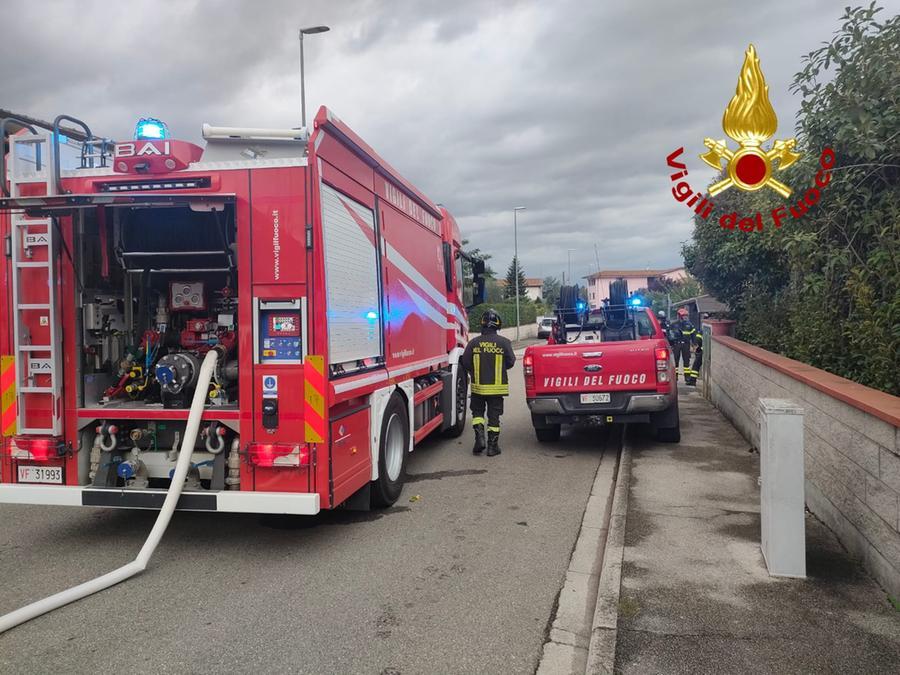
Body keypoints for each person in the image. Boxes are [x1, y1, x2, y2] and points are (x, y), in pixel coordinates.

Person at [461, 308, 516, 456]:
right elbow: (511, 362)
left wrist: (475, 371)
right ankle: (492, 447)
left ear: (482, 324)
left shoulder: (473, 343)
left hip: (478, 388)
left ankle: (479, 439)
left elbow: (465, 362)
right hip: (497, 390)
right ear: (498, 324)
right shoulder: (504, 343)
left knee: (477, 413)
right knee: (494, 417)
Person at [671, 307, 698, 385]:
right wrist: (671, 344)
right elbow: (670, 334)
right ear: (679, 316)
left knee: (687, 361)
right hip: (676, 344)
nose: (685, 317)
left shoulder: (689, 325)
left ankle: (687, 377)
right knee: (675, 361)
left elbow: (693, 334)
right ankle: (674, 377)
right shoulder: (673, 324)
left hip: (686, 344)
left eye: (686, 316)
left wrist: (694, 344)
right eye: (684, 316)